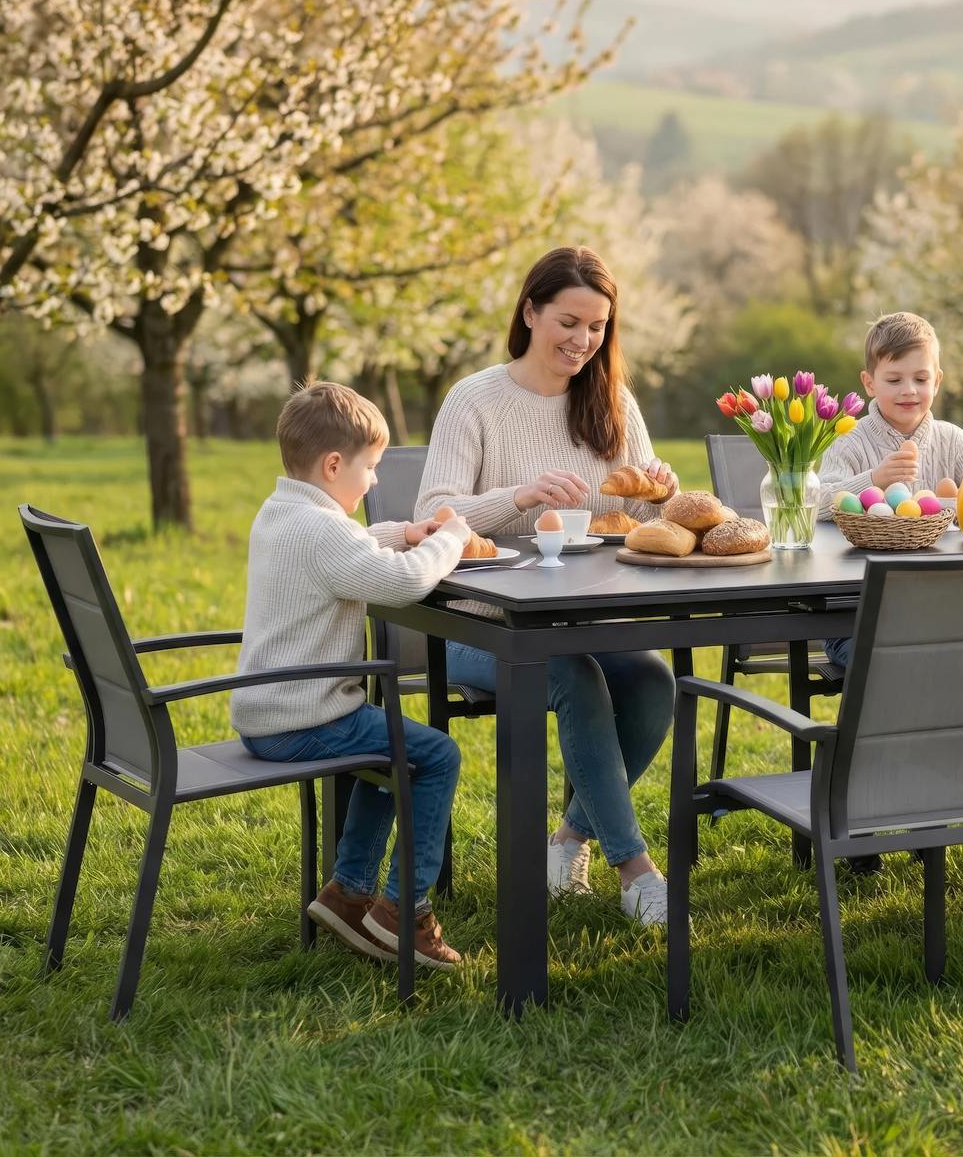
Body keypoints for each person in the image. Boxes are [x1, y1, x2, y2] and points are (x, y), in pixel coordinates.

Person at [416, 246, 679, 926]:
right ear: (530, 311)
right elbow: (428, 514)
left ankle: (566, 842)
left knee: (652, 681)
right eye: (569, 321)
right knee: (575, 676)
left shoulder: (610, 399)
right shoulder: (475, 400)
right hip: (476, 620)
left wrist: (662, 492)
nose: (582, 341)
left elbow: (642, 508)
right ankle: (637, 870)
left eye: (597, 328)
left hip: (580, 614)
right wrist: (516, 495)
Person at [233, 382, 472, 970]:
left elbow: (350, 550)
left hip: (269, 713)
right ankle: (403, 913)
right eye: (370, 468)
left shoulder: (283, 513)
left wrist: (401, 535)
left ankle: (348, 893)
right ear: (334, 464)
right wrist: (451, 538)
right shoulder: (322, 532)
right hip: (305, 717)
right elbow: (400, 583)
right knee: (435, 756)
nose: (372, 482)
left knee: (394, 747)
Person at [817, 311, 963, 671]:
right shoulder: (849, 440)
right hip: (855, 616)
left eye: (921, 378)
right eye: (894, 379)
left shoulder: (954, 441)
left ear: (938, 381)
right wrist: (873, 479)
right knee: (903, 662)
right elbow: (817, 503)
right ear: (869, 383)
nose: (909, 390)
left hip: (941, 608)